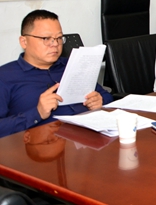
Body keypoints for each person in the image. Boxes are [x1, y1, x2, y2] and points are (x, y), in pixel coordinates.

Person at [0, 10, 113, 138]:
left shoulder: (72, 64)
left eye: (59, 38)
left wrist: (100, 100)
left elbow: (107, 96)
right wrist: (37, 113)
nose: (55, 44)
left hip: (91, 137)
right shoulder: (5, 77)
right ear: (24, 42)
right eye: (46, 38)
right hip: (45, 143)